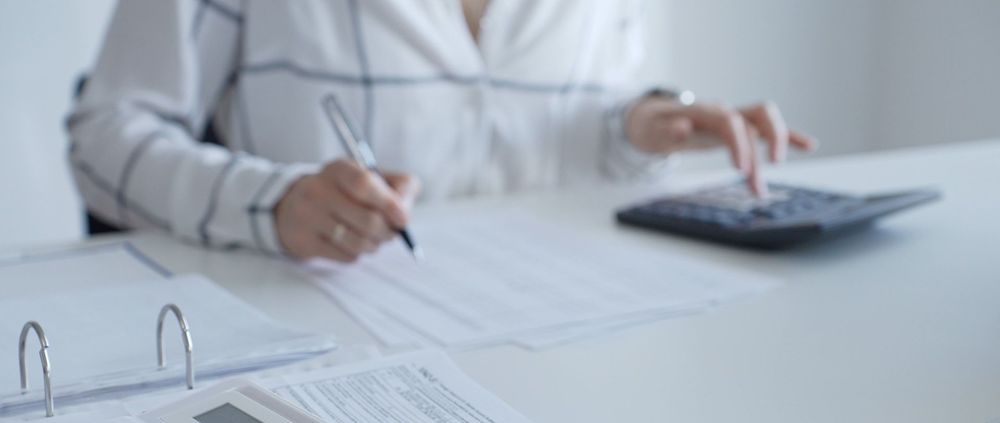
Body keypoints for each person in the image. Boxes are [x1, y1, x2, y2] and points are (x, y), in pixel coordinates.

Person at [68, 0, 814, 263]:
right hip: (324, 350)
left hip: (561, 338)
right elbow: (106, 134)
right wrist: (271, 203)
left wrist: (633, 131)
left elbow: (553, 130)